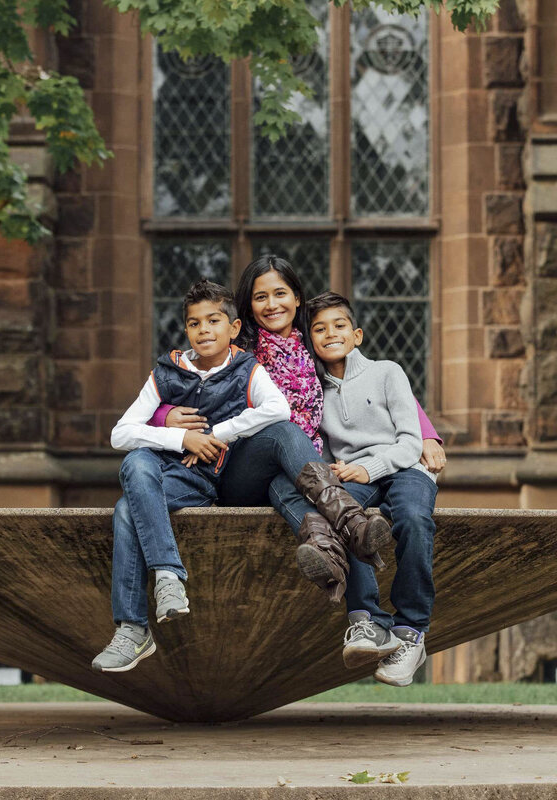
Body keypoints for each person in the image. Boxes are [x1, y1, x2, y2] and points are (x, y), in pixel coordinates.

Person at [150, 255, 447, 600]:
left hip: (299, 468)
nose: (272, 305)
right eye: (261, 297)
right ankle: (351, 522)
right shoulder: (235, 346)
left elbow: (372, 379)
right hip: (240, 469)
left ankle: (327, 556)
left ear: (297, 299)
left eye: (281, 294)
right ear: (248, 304)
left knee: (287, 465)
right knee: (284, 429)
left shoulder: (313, 343)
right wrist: (167, 415)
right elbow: (176, 384)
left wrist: (425, 433)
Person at [91, 279, 290, 673]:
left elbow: (278, 410)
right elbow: (120, 434)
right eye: (195, 323)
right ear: (186, 330)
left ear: (233, 328)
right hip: (153, 472)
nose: (204, 330)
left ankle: (133, 628)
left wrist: (218, 433)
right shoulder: (166, 372)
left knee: (127, 513)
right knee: (135, 462)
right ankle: (168, 576)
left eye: (213, 321)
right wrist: (180, 436)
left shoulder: (246, 369)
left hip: (196, 482)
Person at [269, 291, 438, 688]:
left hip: (405, 468)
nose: (330, 334)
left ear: (357, 334)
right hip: (352, 477)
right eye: (319, 329)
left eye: (339, 326)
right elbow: (319, 445)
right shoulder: (314, 390)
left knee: (413, 519)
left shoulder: (388, 372)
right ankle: (368, 622)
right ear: (310, 340)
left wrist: (369, 467)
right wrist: (342, 471)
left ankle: (411, 632)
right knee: (339, 518)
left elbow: (412, 441)